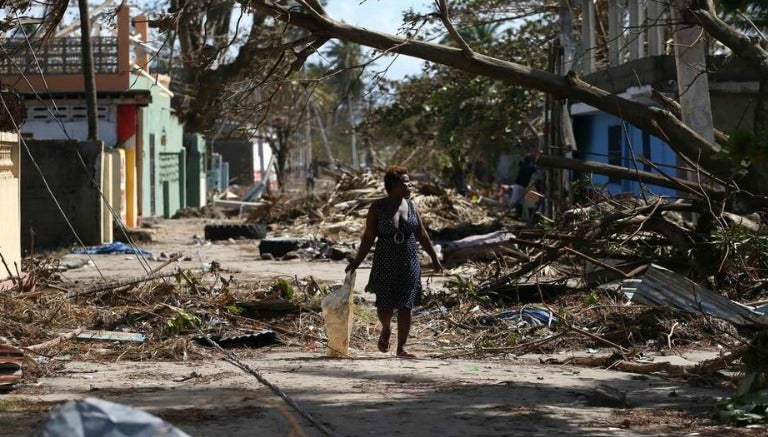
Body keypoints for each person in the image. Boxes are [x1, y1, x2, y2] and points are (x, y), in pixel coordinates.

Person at [346, 166, 443, 359]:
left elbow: (422, 235)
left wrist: (434, 258)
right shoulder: (377, 207)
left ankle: (402, 348)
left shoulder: (412, 206)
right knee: (385, 304)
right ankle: (386, 327)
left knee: (406, 304)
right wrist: (356, 262)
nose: (410, 185)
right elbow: (368, 237)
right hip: (385, 258)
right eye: (405, 182)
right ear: (393, 186)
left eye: (409, 182)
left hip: (409, 259)